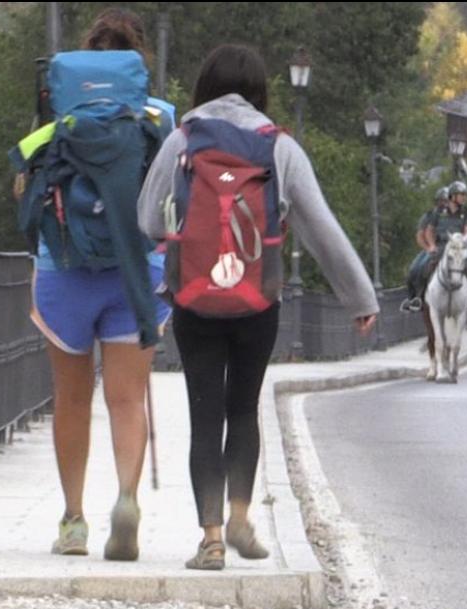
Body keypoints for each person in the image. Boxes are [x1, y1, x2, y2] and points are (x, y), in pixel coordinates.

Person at [138, 44, 379, 570]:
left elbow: (148, 221)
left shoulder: (181, 139)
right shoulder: (280, 148)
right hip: (257, 302)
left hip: (195, 300)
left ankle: (211, 539)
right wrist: (359, 296)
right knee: (243, 407)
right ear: (260, 92)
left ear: (204, 86)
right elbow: (320, 227)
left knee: (204, 414)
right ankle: (243, 512)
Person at [18, 9, 176, 562]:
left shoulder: (55, 111)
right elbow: (174, 196)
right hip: (139, 271)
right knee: (127, 398)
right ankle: (128, 499)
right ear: (138, 63)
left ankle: (73, 520)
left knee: (71, 400)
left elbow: (23, 180)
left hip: (63, 268)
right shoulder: (160, 117)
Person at [406, 180, 467, 312]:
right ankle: (417, 298)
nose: (464, 197)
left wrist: (464, 240)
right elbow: (429, 231)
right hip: (440, 246)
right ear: (453, 196)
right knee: (416, 268)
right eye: (461, 194)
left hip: (458, 247)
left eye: (465, 195)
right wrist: (431, 246)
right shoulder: (437, 212)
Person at [401, 187, 447, 312]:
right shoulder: (428, 216)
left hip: (452, 248)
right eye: (442, 201)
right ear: (437, 202)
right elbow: (420, 236)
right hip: (434, 248)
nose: (444, 204)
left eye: (447, 201)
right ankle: (414, 298)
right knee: (414, 269)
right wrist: (429, 247)